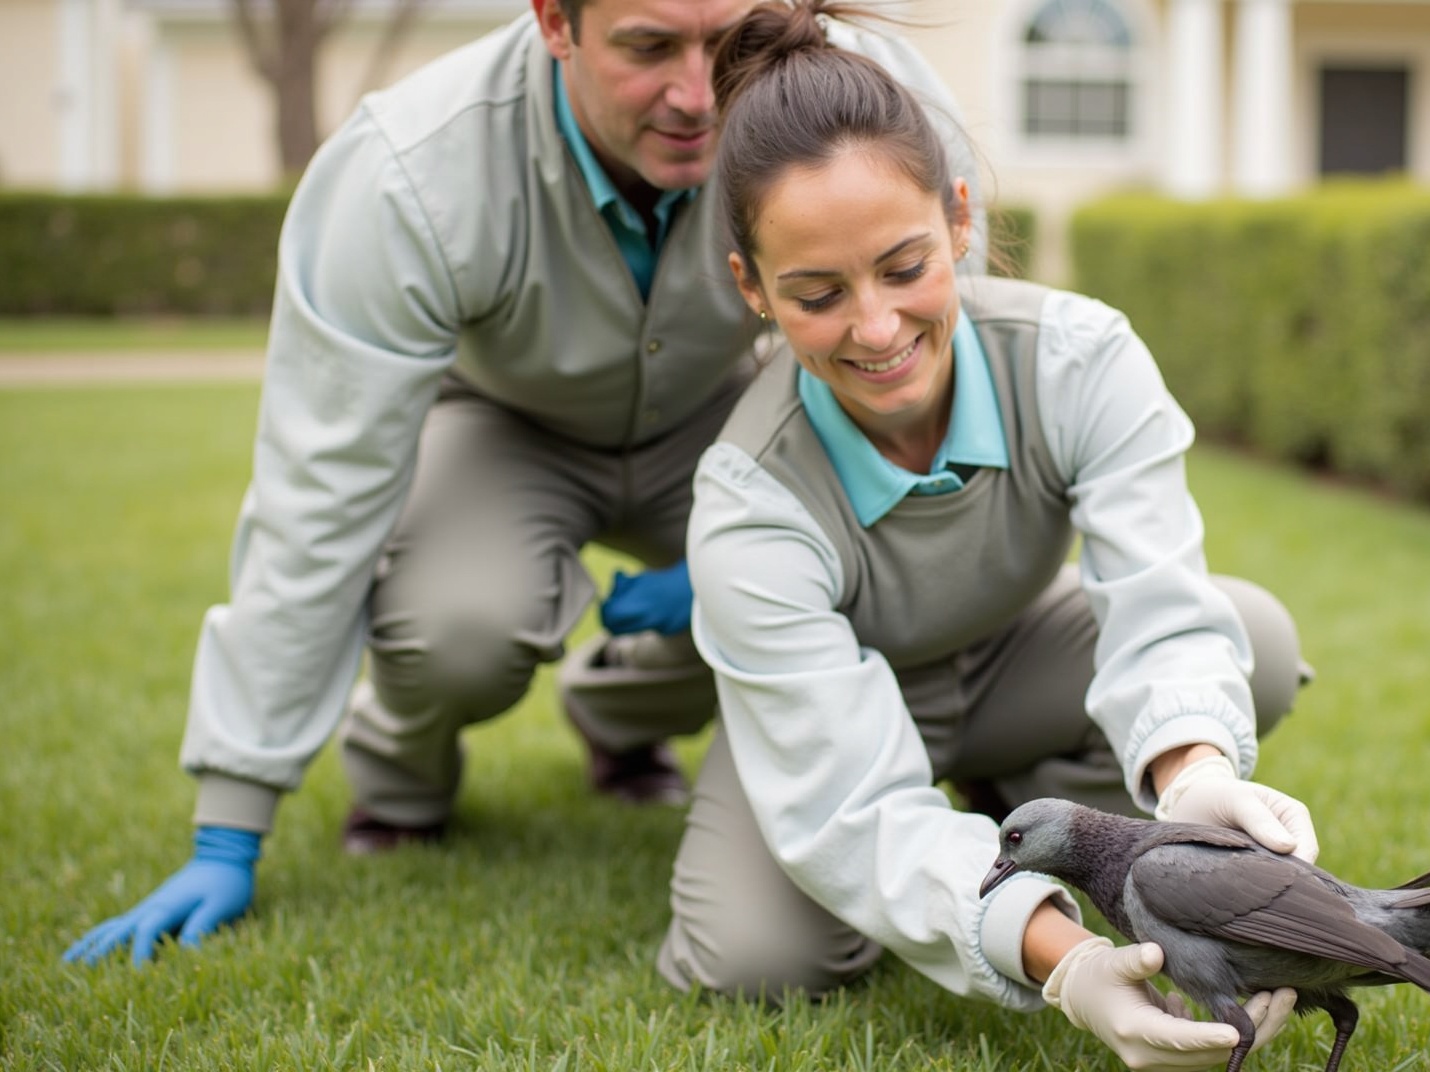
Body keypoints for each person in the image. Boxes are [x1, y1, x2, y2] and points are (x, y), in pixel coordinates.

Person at [62, 0, 983, 966]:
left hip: (732, 421)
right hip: (507, 424)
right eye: (649, 46)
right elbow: (317, 496)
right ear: (555, 21)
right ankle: (400, 776)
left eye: (726, 42)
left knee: (801, 580)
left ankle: (621, 714)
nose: (697, 93)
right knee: (460, 622)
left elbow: (939, 356)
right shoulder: (410, 170)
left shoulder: (866, 104)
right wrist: (229, 825)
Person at [657, 4, 1319, 1068]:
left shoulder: (1079, 359)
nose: (876, 328)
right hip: (848, 707)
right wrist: (1065, 961)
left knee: (1258, 642)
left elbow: (1158, 604)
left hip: (1014, 663)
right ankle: (644, 717)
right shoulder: (748, 498)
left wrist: (1194, 782)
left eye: (905, 265)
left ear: (959, 219)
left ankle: (1022, 811)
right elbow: (853, 806)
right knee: (755, 954)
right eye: (818, 294)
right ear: (754, 290)